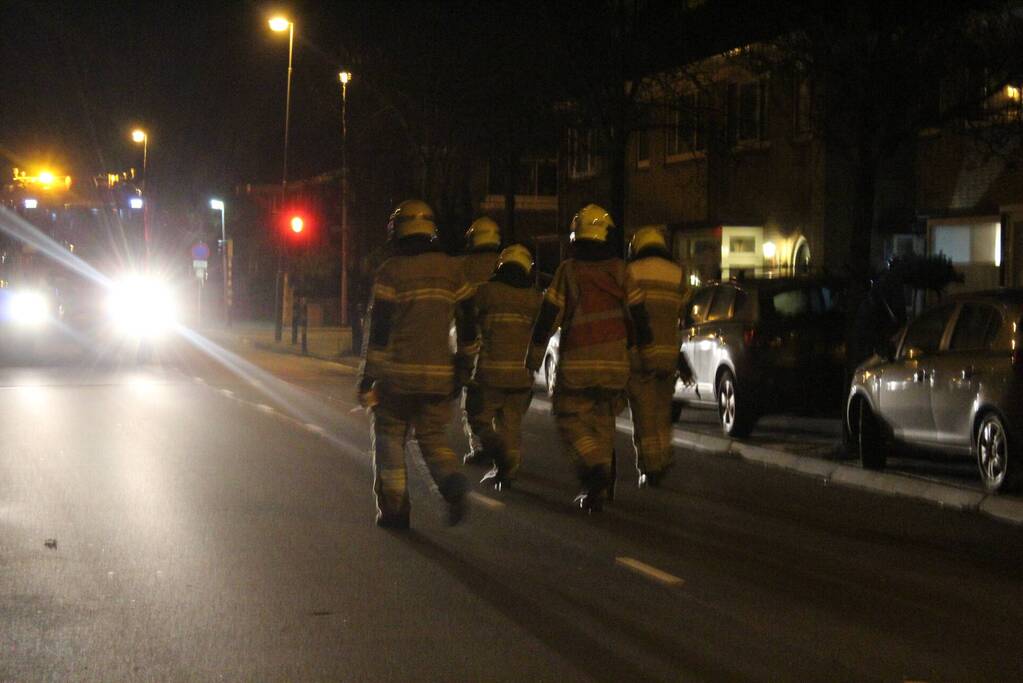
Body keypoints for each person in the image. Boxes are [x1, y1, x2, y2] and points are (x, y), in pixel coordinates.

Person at [358, 199, 477, 529]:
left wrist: (369, 377)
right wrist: (464, 367)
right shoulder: (454, 271)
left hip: (397, 379)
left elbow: (380, 331)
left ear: (398, 232)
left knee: (389, 437)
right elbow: (469, 324)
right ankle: (452, 485)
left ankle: (395, 510)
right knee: (433, 439)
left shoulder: (391, 272)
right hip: (439, 377)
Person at [526, 204, 654, 512]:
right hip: (616, 365)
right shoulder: (622, 271)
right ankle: (601, 488)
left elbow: (548, 317)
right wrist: (645, 356)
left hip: (579, 365)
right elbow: (639, 316)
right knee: (603, 420)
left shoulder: (568, 271)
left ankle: (594, 469)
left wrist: (532, 359)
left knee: (569, 416)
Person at [467, 244, 543, 491]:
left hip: (490, 373)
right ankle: (507, 473)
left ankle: (499, 454)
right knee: (510, 426)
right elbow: (543, 332)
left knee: (477, 418)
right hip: (521, 377)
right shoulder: (534, 298)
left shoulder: (486, 292)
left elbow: (467, 321)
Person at [624, 227, 692, 488]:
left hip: (641, 356)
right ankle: (664, 455)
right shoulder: (677, 273)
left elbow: (628, 314)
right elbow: (682, 314)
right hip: (669, 356)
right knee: (662, 412)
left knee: (644, 416)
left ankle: (651, 467)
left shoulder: (632, 272)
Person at [459, 216, 503, 466]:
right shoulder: (505, 261)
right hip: (509, 343)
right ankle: (506, 450)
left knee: (473, 402)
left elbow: (460, 309)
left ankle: (482, 447)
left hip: (476, 342)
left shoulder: (465, 267)